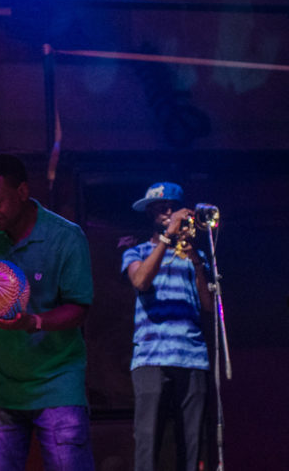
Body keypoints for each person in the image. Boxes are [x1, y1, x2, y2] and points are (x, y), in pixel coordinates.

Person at [0, 154, 95, 471]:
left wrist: (33, 322)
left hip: (57, 383)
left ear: (23, 192)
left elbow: (78, 309)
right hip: (0, 386)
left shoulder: (65, 236)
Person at [123, 182, 211, 471]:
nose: (168, 212)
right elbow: (140, 282)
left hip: (192, 357)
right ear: (151, 213)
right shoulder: (136, 252)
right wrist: (166, 239)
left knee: (192, 443)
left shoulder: (195, 257)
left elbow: (210, 306)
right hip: (151, 357)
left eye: (172, 207)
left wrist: (196, 258)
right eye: (160, 208)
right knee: (148, 442)